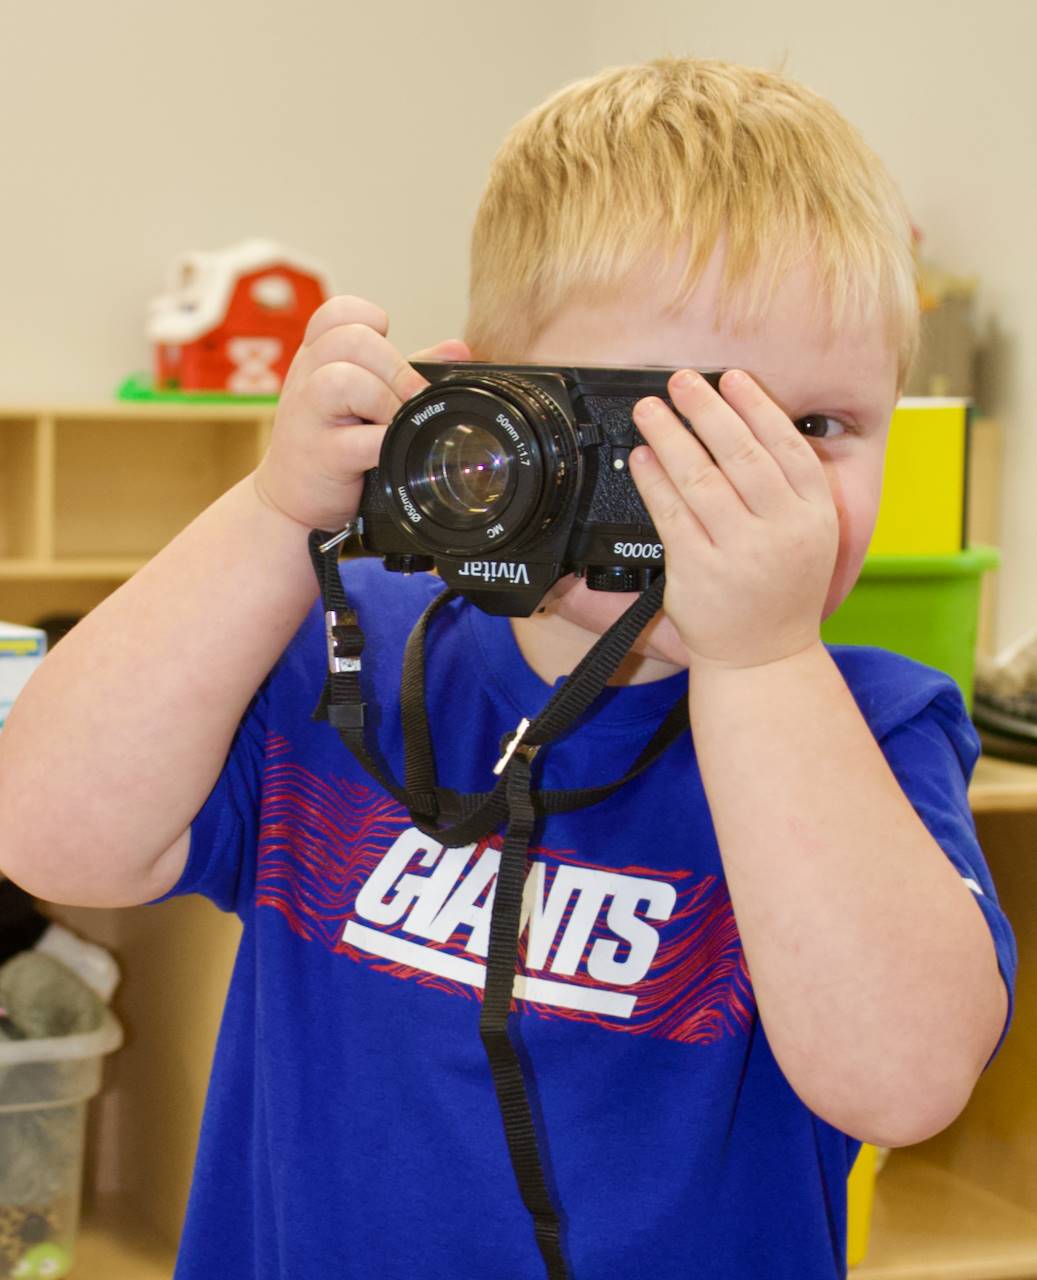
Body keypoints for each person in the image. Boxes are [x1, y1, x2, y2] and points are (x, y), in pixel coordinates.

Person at [0, 56, 1015, 1280]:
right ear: (496, 405)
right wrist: (277, 516)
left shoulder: (868, 723)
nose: (742, 489)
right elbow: (48, 834)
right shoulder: (349, 650)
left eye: (816, 428)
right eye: (656, 419)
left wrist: (757, 658)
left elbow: (899, 1081)